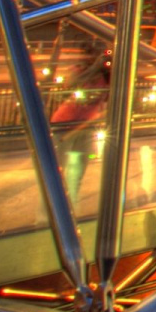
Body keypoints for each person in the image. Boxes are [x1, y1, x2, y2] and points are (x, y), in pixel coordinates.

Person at [52, 53, 110, 203]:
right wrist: (94, 68)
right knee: (57, 171)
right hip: (63, 125)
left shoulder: (106, 80)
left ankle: (70, 205)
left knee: (78, 171)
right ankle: (50, 209)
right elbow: (71, 85)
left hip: (85, 127)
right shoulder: (79, 72)